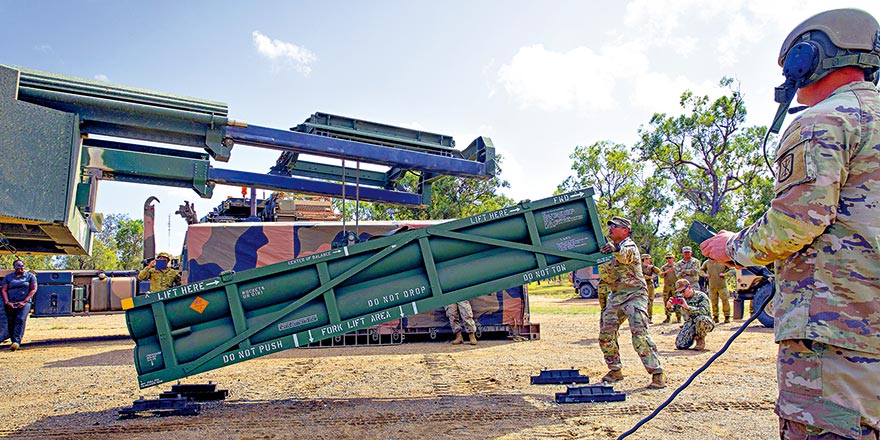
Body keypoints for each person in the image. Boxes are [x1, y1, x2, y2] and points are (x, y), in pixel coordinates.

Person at [700, 8, 880, 439]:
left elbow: (794, 224)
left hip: (837, 335)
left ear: (808, 57)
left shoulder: (823, 122)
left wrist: (733, 247)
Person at [597, 216, 665, 389]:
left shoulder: (628, 246)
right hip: (617, 295)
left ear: (625, 231)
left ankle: (657, 373)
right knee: (606, 335)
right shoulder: (607, 249)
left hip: (635, 295)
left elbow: (625, 256)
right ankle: (615, 370)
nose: (611, 229)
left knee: (639, 334)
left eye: (615, 226)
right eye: (610, 226)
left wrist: (615, 248)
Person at [666, 280, 714, 350]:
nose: (682, 294)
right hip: (690, 323)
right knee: (680, 345)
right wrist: (669, 306)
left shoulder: (701, 296)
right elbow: (673, 309)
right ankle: (692, 336)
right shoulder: (681, 298)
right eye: (680, 292)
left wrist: (687, 307)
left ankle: (700, 339)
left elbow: (704, 312)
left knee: (701, 319)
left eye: (683, 291)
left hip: (705, 323)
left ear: (689, 287)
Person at [1, 260, 38, 351]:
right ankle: (13, 340)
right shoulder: (8, 277)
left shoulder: (30, 276)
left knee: (20, 319)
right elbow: (4, 290)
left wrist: (24, 301)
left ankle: (17, 342)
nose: (20, 268)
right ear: (14, 268)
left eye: (22, 266)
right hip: (11, 302)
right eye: (18, 267)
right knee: (11, 321)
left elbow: (33, 289)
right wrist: (7, 302)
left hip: (24, 302)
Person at [700, 258, 732, 323]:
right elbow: (701, 270)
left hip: (722, 286)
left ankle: (727, 317)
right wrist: (705, 275)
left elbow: (732, 270)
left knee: (725, 301)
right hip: (712, 286)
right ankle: (715, 317)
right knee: (713, 302)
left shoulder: (722, 261)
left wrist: (725, 274)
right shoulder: (707, 262)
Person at [660, 253, 681, 324]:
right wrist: (666, 272)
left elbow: (681, 274)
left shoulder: (677, 266)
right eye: (667, 258)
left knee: (677, 301)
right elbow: (660, 275)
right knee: (666, 301)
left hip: (675, 286)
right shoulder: (664, 267)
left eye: (670, 258)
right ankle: (668, 317)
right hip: (667, 286)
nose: (668, 259)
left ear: (673, 258)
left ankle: (678, 317)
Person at [641, 254, 661, 322]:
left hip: (650, 285)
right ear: (645, 259)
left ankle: (649, 317)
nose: (650, 260)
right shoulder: (640, 267)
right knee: (642, 301)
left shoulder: (651, 267)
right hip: (642, 285)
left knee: (650, 301)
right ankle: (642, 317)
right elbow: (641, 276)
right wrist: (650, 277)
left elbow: (659, 272)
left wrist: (653, 267)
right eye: (649, 259)